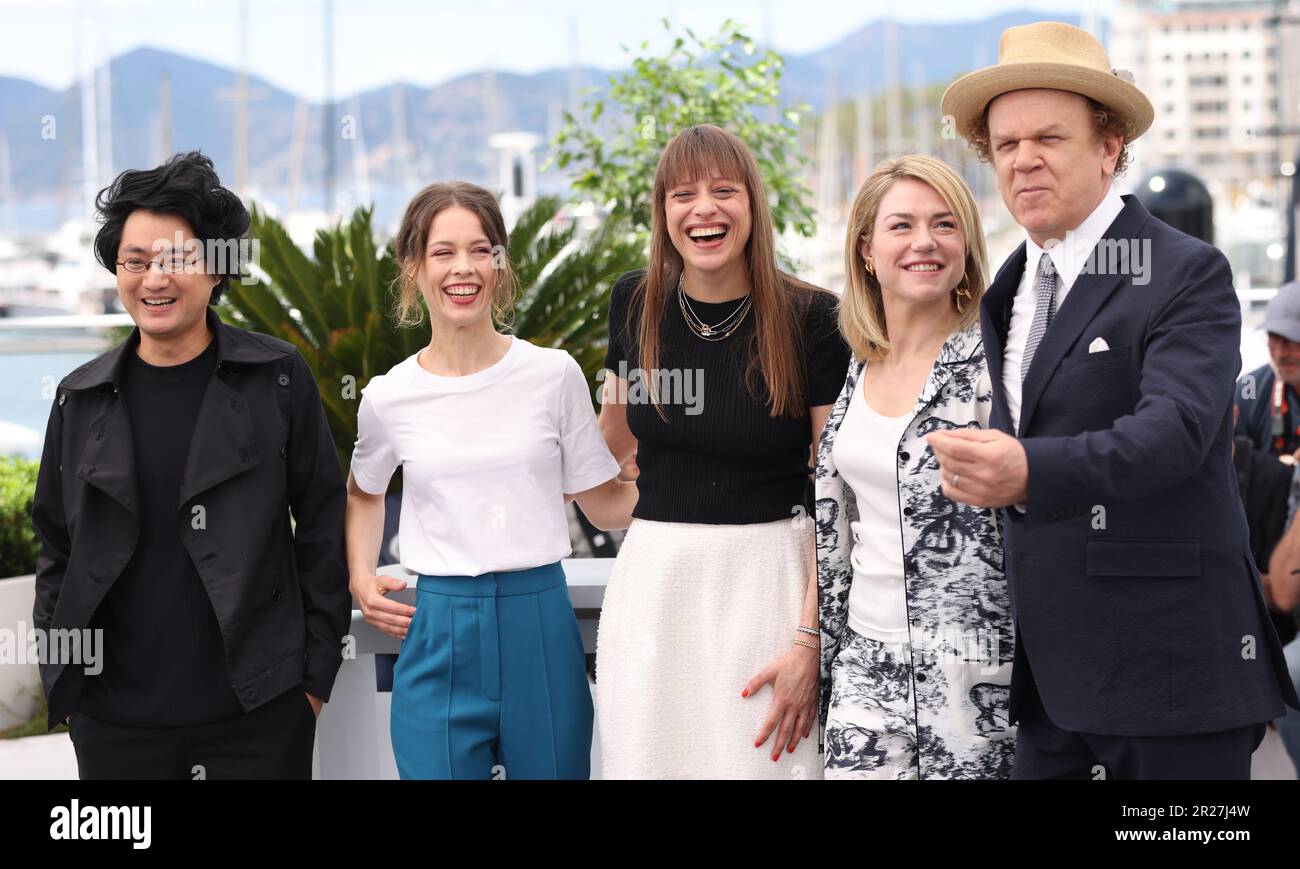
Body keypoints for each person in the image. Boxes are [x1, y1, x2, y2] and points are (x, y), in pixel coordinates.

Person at [932, 20, 1299, 779]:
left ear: (1109, 146)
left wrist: (1026, 469)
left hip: (1172, 678)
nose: (1024, 159)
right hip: (1049, 686)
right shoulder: (1007, 288)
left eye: (1048, 138)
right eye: (1005, 145)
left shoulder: (1186, 270)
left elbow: (1175, 432)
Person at [31, 151, 349, 779]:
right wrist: (67, 684)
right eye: (136, 262)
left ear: (217, 269)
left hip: (258, 714)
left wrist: (311, 683)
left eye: (177, 260)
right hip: (114, 723)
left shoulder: (277, 378)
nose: (154, 279)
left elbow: (320, 524)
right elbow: (56, 547)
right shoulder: (80, 396)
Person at [345, 181, 636, 780]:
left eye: (482, 250)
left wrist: (689, 478)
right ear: (414, 269)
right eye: (443, 252)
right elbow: (363, 491)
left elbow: (603, 503)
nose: (464, 268)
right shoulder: (388, 396)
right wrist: (359, 576)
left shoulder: (553, 376)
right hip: (436, 629)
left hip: (542, 624)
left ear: (501, 267)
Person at [595, 124, 850, 779]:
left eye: (723, 190)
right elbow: (606, 445)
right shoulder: (632, 302)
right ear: (663, 212)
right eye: (683, 193)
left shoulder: (814, 317)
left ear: (753, 205)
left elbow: (836, 493)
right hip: (654, 586)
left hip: (769, 586)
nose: (703, 207)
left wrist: (810, 639)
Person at [816, 155, 1014, 779]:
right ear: (867, 250)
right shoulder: (857, 366)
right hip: (863, 664)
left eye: (945, 224)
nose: (924, 242)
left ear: (966, 246)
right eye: (901, 226)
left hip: (976, 671)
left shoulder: (999, 368)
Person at [1237, 281, 1300, 460]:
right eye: (1274, 337)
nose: (1280, 353)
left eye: (1291, 339)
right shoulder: (1248, 391)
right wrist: (1282, 473)